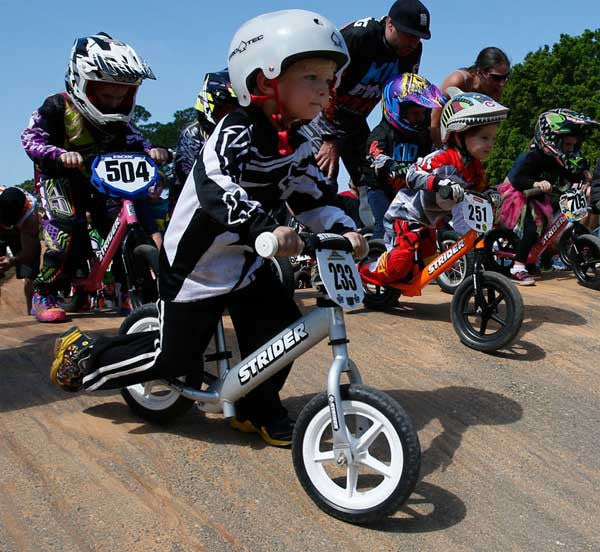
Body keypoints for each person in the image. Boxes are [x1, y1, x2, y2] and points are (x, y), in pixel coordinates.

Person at [49, 10, 367, 447]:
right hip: (197, 264)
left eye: (330, 78)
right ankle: (87, 359)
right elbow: (217, 187)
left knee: (281, 327)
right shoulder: (234, 130)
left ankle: (257, 406)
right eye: (311, 76)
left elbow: (310, 193)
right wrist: (265, 226)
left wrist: (344, 229)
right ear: (264, 79)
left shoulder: (301, 138)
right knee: (174, 356)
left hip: (249, 260)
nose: (325, 88)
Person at [21, 32, 168, 323]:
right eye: (106, 95)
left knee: (125, 217)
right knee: (62, 229)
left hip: (101, 178)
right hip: (59, 178)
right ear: (82, 84)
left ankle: (129, 289)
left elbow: (138, 140)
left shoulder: (120, 122)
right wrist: (58, 153)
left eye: (121, 95)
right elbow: (30, 138)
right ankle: (44, 292)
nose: (114, 102)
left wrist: (155, 151)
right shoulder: (56, 106)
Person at [360, 89, 508, 284]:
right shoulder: (442, 158)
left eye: (492, 139)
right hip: (406, 216)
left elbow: (480, 188)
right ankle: (359, 272)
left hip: (429, 224)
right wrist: (438, 183)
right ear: (458, 133)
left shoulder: (474, 167)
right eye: (484, 138)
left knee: (432, 264)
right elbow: (412, 174)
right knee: (399, 264)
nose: (490, 144)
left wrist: (492, 195)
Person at [312, 0, 431, 186]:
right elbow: (324, 85)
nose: (414, 42)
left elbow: (400, 97)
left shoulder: (413, 50)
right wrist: (328, 138)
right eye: (409, 35)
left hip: (355, 120)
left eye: (419, 37)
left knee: (373, 180)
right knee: (322, 179)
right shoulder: (360, 37)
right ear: (390, 24)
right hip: (318, 113)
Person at [498, 109, 597, 285]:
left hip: (538, 200)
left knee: (543, 232)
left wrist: (582, 175)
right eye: (567, 145)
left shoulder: (554, 160)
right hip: (520, 197)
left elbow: (567, 175)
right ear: (550, 138)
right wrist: (535, 183)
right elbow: (516, 178)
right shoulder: (530, 157)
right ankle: (518, 267)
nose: (570, 149)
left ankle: (530, 262)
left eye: (573, 145)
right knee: (530, 231)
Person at [364, 73, 444, 238]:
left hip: (409, 188)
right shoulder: (382, 132)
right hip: (382, 190)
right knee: (385, 227)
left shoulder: (423, 136)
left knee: (431, 225)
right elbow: (374, 152)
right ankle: (373, 260)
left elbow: (436, 157)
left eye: (423, 114)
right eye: (415, 114)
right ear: (396, 108)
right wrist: (390, 165)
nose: (420, 118)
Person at [172, 71, 238, 204]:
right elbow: (193, 179)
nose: (233, 117)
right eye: (228, 109)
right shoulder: (193, 134)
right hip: (193, 208)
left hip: (233, 204)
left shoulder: (244, 135)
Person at [431, 47, 510, 148]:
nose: (501, 84)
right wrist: (441, 151)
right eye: (496, 78)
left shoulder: (495, 91)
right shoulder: (458, 81)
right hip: (437, 139)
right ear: (479, 71)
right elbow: (434, 123)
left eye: (505, 77)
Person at [0, 186, 41, 312]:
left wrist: (12, 260)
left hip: (22, 230)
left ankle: (32, 312)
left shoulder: (31, 216)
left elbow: (30, 251)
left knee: (30, 275)